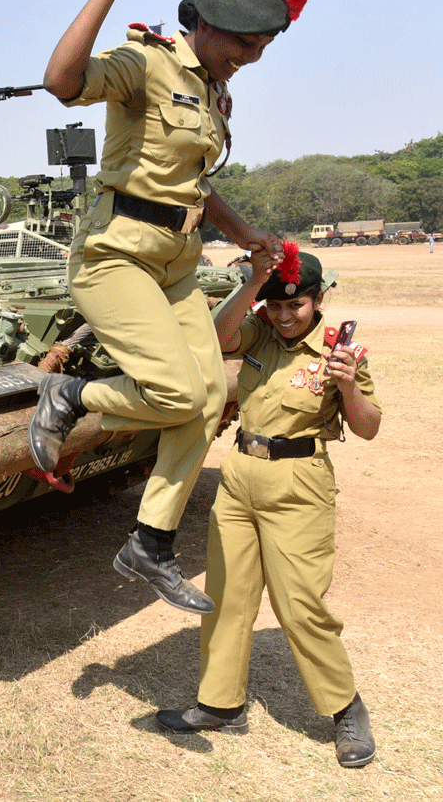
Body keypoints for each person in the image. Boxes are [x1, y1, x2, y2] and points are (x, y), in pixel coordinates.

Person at [28, 0, 310, 614]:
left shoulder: (212, 89)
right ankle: (71, 398)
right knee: (179, 396)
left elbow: (194, 185)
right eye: (244, 42)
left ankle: (149, 543)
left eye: (264, 45)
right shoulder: (146, 63)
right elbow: (61, 82)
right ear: (205, 24)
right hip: (116, 256)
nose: (253, 56)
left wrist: (247, 236)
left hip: (177, 265)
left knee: (208, 397)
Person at [155, 248, 381, 768]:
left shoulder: (338, 352)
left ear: (318, 300)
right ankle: (220, 704)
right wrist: (253, 282)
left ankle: (345, 709)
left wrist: (347, 385)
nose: (284, 315)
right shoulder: (258, 330)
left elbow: (368, 427)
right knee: (228, 596)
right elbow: (217, 337)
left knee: (300, 605)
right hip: (238, 479)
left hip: (298, 485)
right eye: (275, 305)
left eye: (295, 305)